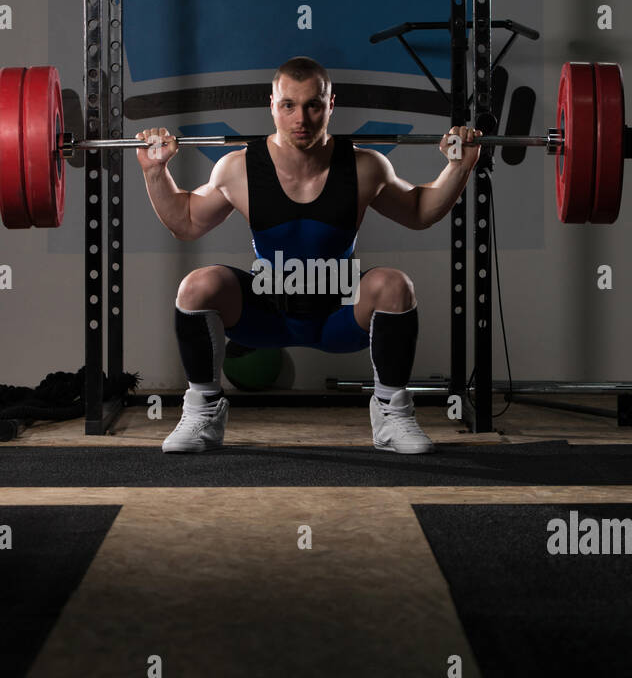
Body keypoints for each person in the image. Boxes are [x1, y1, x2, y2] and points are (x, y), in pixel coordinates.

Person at [136, 56, 481, 453]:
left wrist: (458, 166)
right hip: (267, 313)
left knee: (394, 286)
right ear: (272, 106)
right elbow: (186, 222)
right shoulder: (239, 168)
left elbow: (420, 211)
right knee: (197, 287)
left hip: (338, 314)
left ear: (331, 105)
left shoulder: (366, 166)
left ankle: (392, 416)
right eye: (289, 105)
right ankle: (202, 413)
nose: (301, 118)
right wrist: (154, 171)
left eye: (313, 105)